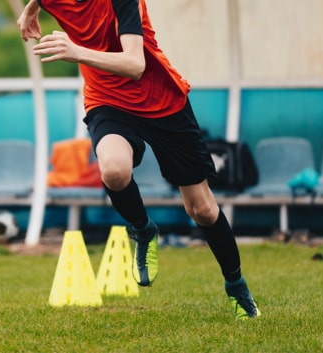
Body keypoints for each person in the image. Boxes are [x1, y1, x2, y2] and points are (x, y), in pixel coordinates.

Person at [17, 0, 260, 320]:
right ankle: (143, 229)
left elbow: (135, 64)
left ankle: (236, 285)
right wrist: (30, 9)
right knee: (114, 170)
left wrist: (75, 51)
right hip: (108, 101)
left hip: (162, 103)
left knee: (201, 210)